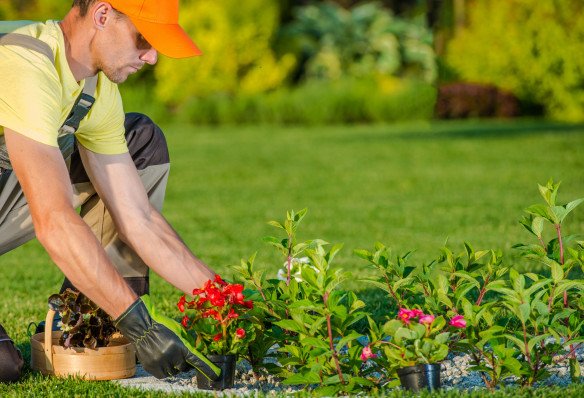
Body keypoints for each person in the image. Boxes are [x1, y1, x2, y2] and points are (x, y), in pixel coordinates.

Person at [0, 0, 221, 382]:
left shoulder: (95, 91)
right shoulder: (25, 64)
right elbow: (53, 220)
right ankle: (115, 308)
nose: (151, 57)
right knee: (4, 367)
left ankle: (89, 316)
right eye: (144, 39)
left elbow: (139, 219)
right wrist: (142, 327)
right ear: (103, 16)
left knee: (140, 140)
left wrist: (228, 304)